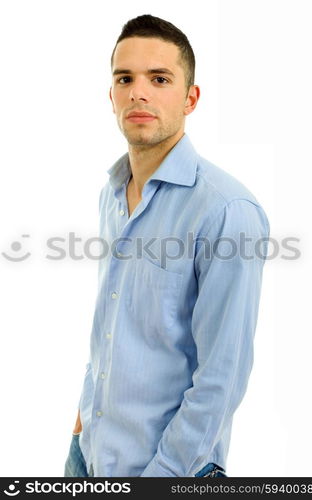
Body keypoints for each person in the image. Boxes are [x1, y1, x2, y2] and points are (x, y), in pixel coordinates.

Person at [64, 14, 270, 478]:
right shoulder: (113, 194)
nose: (139, 92)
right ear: (111, 95)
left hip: (169, 473)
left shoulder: (226, 210)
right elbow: (113, 330)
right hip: (87, 459)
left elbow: (222, 375)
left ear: (190, 98)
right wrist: (79, 433)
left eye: (159, 79)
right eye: (125, 78)